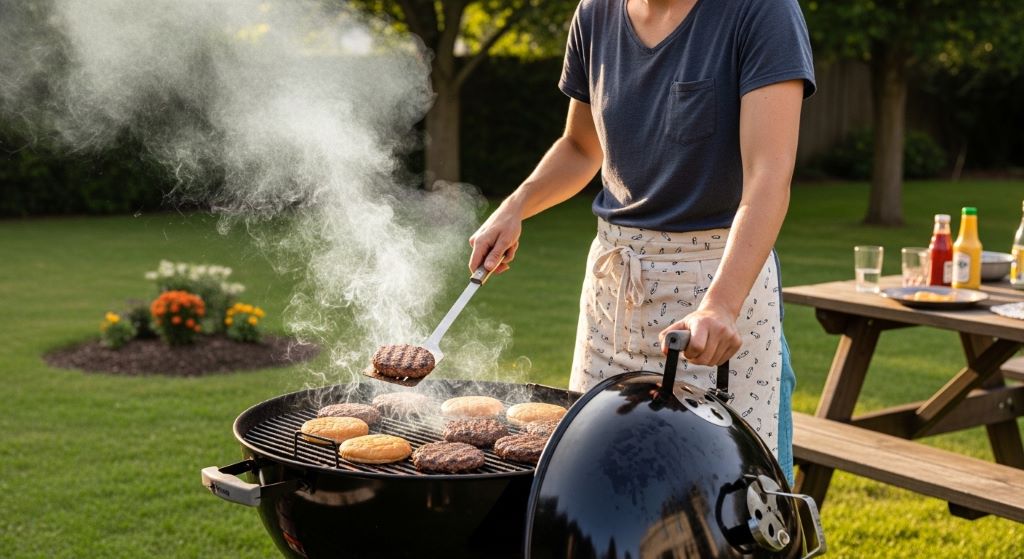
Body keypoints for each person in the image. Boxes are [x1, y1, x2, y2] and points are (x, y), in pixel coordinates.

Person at [468, 0, 815, 481]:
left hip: (715, 290)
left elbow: (768, 177)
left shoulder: (761, 12)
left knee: (728, 500)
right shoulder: (595, 14)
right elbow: (581, 147)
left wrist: (720, 305)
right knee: (590, 486)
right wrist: (516, 205)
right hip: (613, 292)